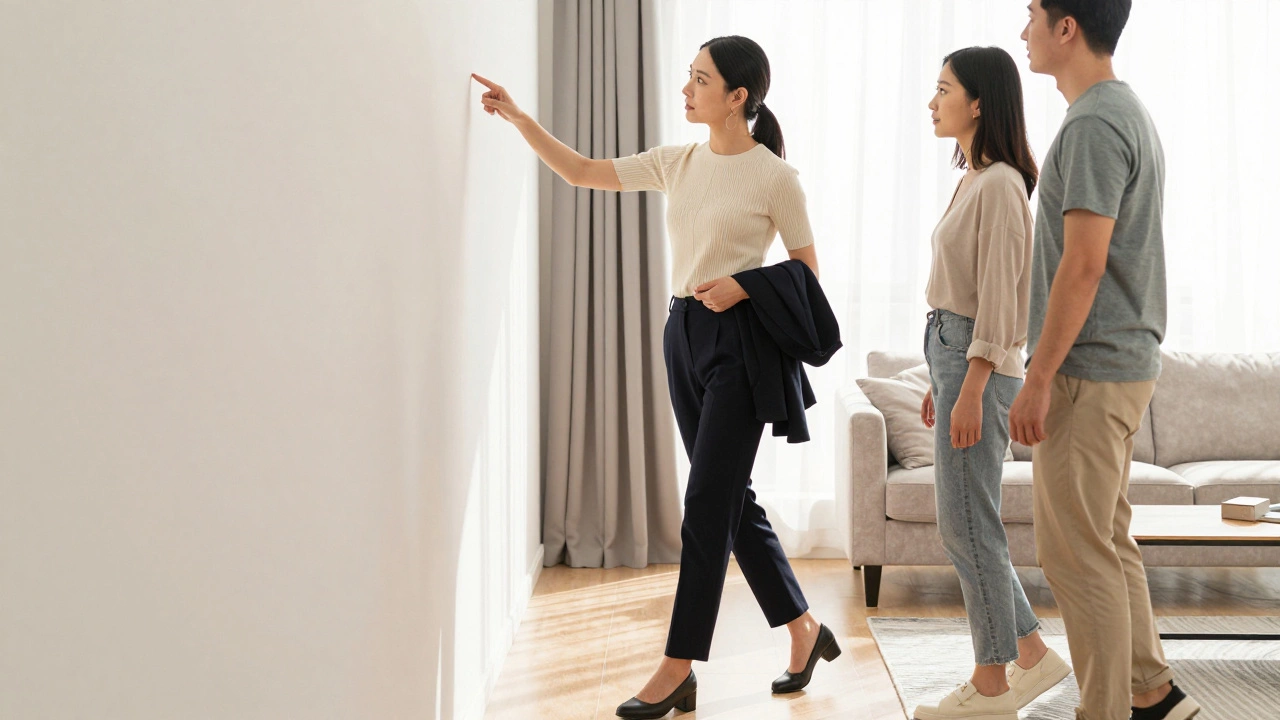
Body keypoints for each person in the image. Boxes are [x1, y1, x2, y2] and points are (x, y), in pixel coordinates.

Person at [472, 34, 839, 720]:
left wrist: (744, 286)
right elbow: (582, 171)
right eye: (688, 76)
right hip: (683, 337)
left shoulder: (774, 178)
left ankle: (677, 667)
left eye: (700, 80)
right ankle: (804, 630)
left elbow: (808, 277)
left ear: (737, 97)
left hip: (742, 346)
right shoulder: (679, 162)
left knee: (704, 507)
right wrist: (521, 119)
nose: (686, 89)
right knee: (732, 500)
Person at [1012, 2, 1200, 719]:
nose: (1021, 30)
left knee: (1076, 557)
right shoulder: (1123, 110)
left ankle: (1105, 711)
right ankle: (1150, 692)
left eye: (1030, 13)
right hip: (1122, 363)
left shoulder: (1092, 122)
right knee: (1107, 540)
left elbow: (1083, 266)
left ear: (1066, 27)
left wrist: (1038, 377)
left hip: (1089, 371)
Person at [912, 45, 1072, 720]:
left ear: (979, 102)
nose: (933, 99)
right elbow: (964, 290)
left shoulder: (1003, 183)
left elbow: (1004, 302)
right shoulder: (975, 179)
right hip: (953, 354)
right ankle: (1031, 654)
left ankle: (992, 681)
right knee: (965, 522)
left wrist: (973, 383)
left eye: (944, 88)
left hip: (976, 362)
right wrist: (940, 377)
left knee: (969, 525)